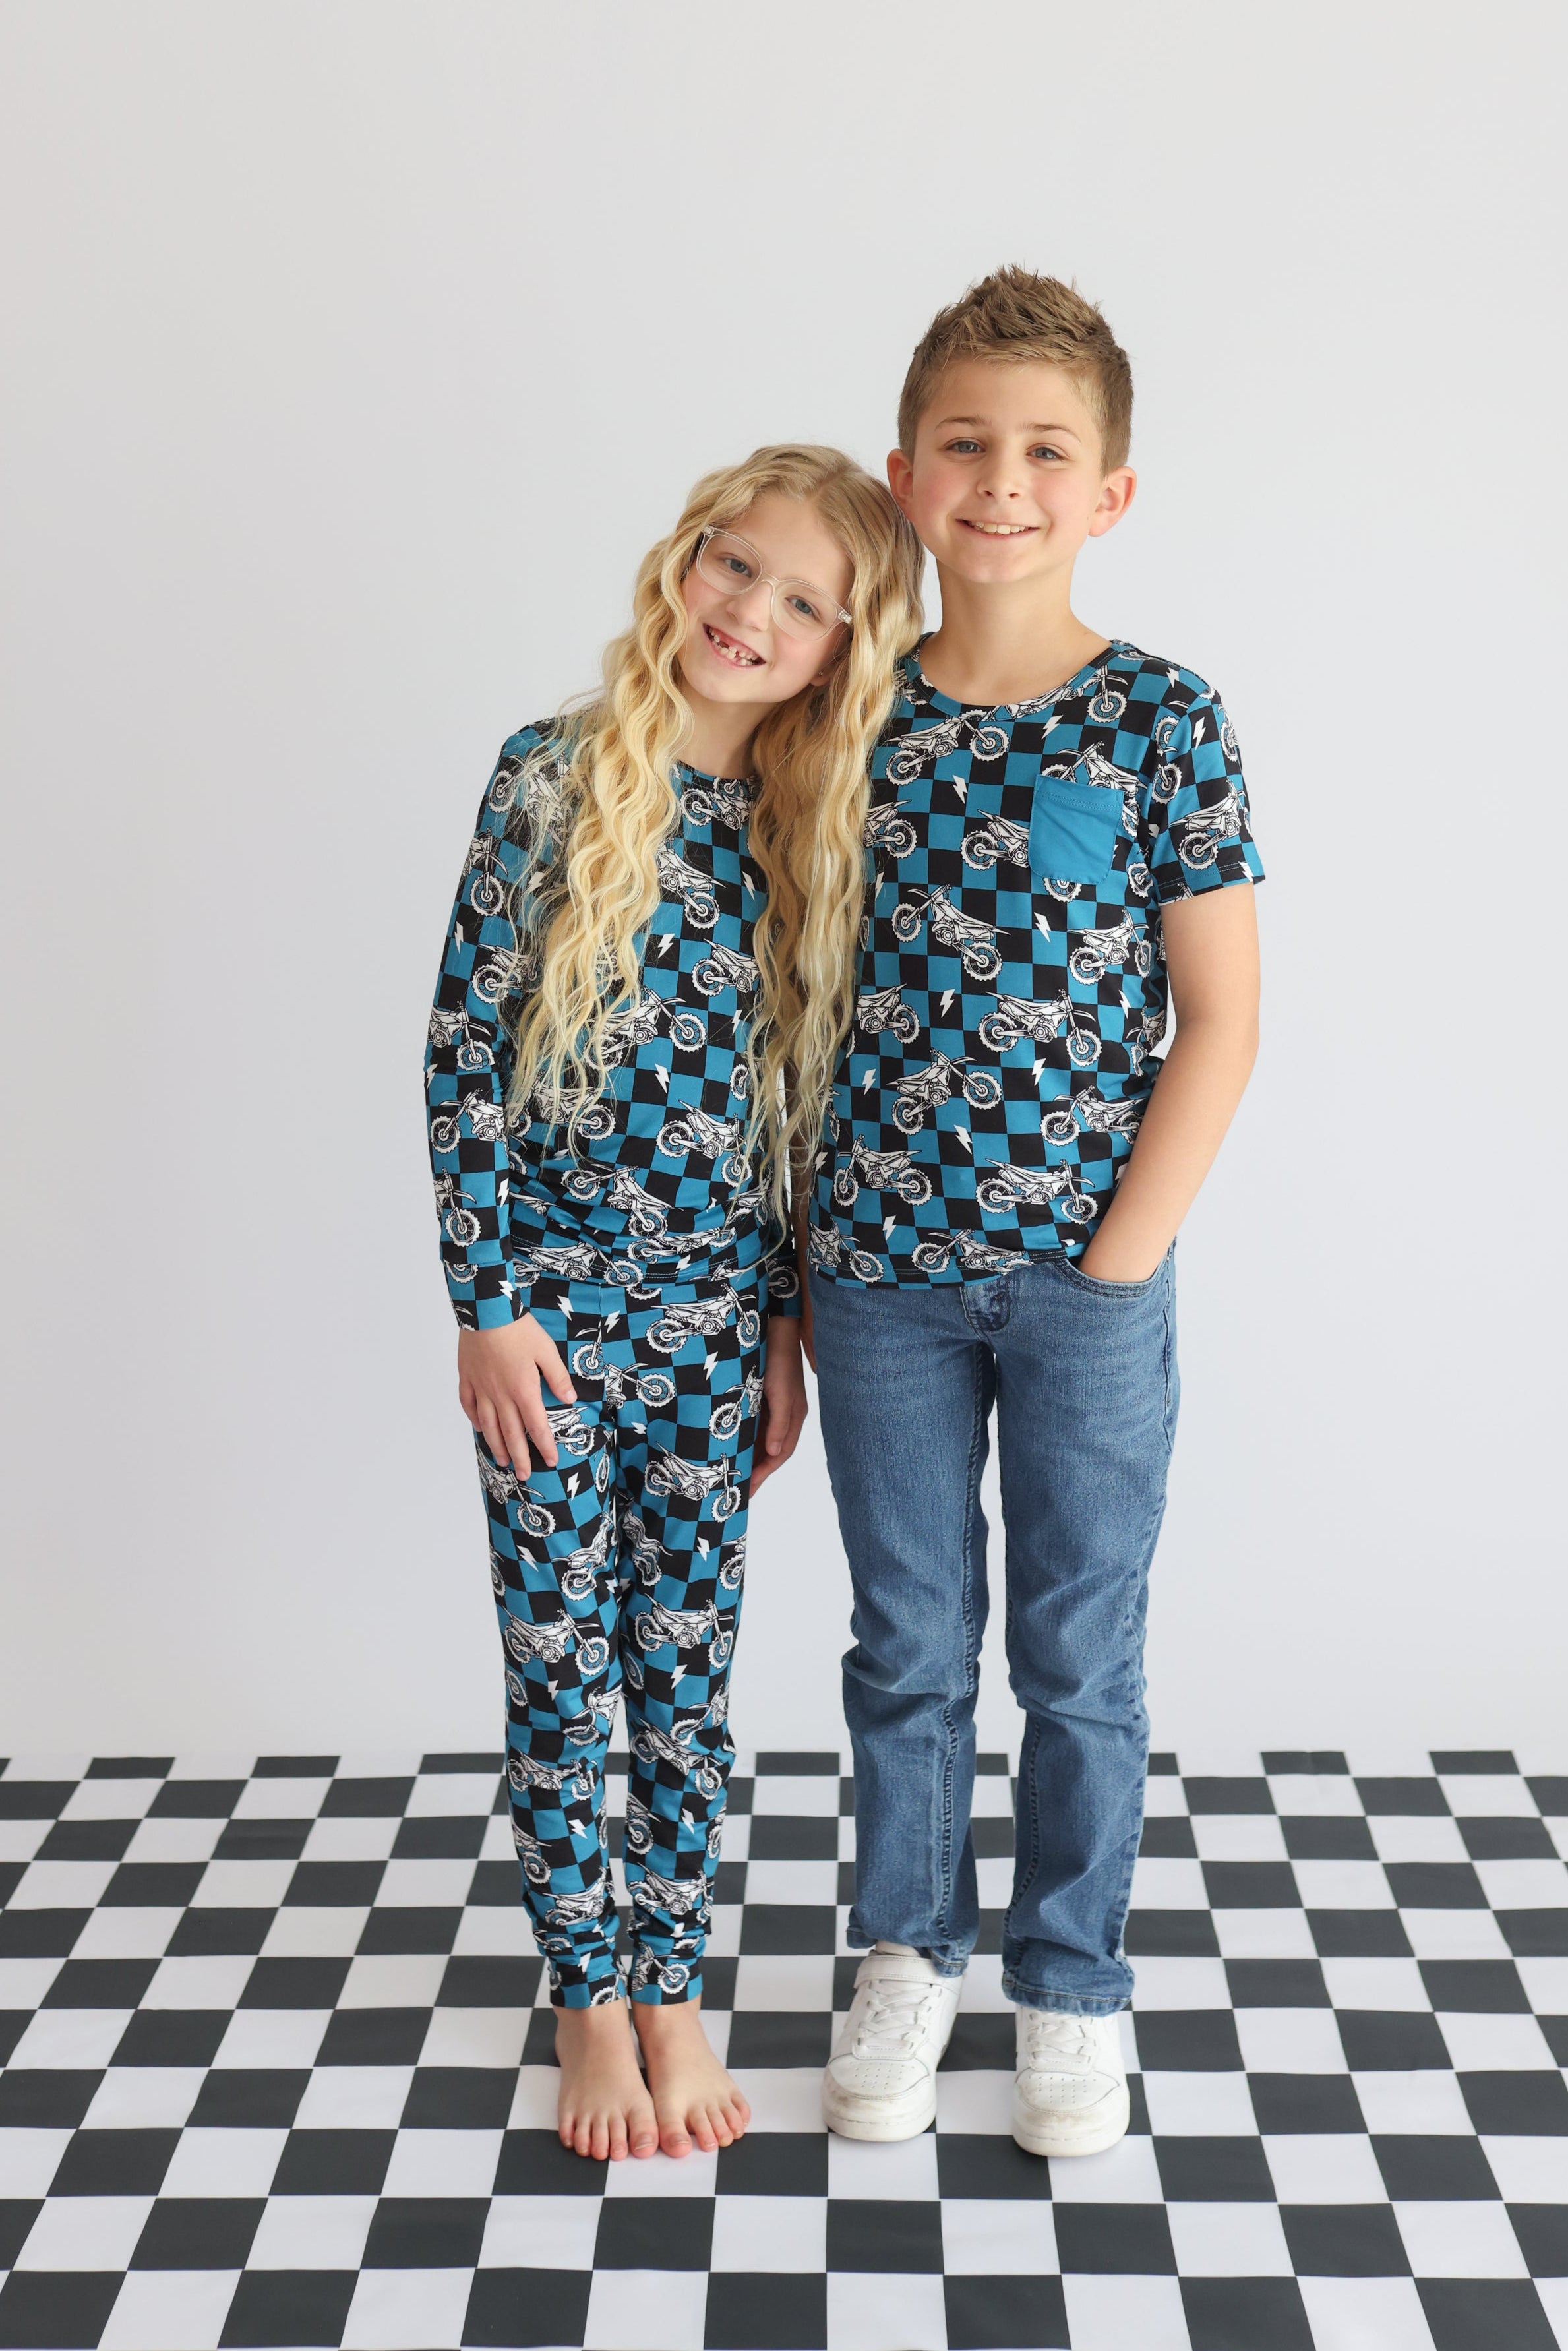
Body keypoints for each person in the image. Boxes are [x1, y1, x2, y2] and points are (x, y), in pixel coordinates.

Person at [806, 270, 1264, 2156]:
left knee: (1080, 1655)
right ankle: (905, 1954)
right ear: (906, 475)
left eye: (1047, 451)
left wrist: (1118, 1258)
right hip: (875, 1274)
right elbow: (789, 1010)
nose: (1005, 481)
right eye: (968, 444)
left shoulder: (1158, 719)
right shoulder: (842, 716)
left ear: (1110, 492)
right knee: (908, 1643)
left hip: (1088, 1279)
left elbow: (1219, 1019)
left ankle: (1070, 1985)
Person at [425, 446, 922, 2164]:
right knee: (563, 1668)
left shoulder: (803, 832)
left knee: (682, 1681)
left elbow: (794, 1118)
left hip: (711, 1333)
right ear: (682, 560)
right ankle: (586, 1999)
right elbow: (462, 1056)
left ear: (840, 651)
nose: (750, 612)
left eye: (804, 604)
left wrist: (779, 1326)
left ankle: (670, 1988)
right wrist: (486, 1305)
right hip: (550, 1330)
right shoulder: (549, 777)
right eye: (735, 565)